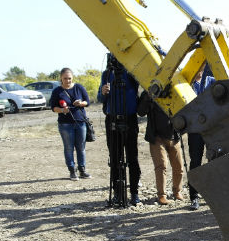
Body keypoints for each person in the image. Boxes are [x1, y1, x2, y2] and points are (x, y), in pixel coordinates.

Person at [98, 54, 141, 206]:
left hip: (129, 119)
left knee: (132, 158)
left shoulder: (131, 72)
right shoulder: (107, 74)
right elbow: (100, 98)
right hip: (112, 120)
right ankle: (117, 192)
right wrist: (103, 92)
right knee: (115, 159)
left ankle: (134, 192)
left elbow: (138, 87)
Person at [138, 93, 185, 205]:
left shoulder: (173, 89)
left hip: (173, 135)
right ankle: (162, 196)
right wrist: (148, 98)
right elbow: (140, 112)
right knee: (161, 166)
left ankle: (177, 192)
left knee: (179, 166)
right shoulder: (148, 91)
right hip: (156, 137)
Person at [50, 67, 91, 181]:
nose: (67, 81)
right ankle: (72, 171)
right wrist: (62, 110)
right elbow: (53, 108)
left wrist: (80, 103)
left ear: (72, 78)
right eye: (65, 78)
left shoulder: (79, 87)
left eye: (69, 78)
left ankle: (82, 170)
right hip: (65, 124)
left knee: (81, 147)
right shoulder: (57, 91)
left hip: (80, 122)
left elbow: (87, 102)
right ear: (61, 79)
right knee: (69, 148)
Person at [188, 63, 215, 210]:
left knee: (215, 160)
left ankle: (213, 194)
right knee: (195, 161)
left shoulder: (211, 81)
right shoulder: (187, 85)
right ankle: (194, 196)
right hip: (195, 130)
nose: (199, 69)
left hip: (211, 128)